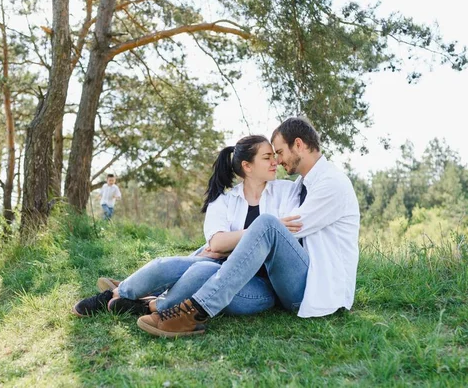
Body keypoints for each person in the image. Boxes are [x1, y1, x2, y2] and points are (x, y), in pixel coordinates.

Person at [137, 116, 361, 337]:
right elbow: (267, 238)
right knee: (210, 261)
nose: (278, 161)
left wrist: (227, 245)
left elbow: (286, 232)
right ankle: (146, 293)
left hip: (316, 288)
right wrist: (221, 246)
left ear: (299, 145)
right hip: (293, 278)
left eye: (280, 152)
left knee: (267, 225)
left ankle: (195, 311)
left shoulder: (331, 183)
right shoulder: (304, 183)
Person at [72, 135, 302, 317]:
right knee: (166, 265)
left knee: (201, 270)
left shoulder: (286, 191)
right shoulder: (224, 201)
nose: (275, 162)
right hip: (219, 266)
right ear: (247, 166)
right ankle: (115, 293)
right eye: (267, 157)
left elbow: (276, 241)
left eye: (274, 156)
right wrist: (251, 239)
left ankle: (152, 305)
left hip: (260, 288)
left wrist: (233, 243)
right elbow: (217, 243)